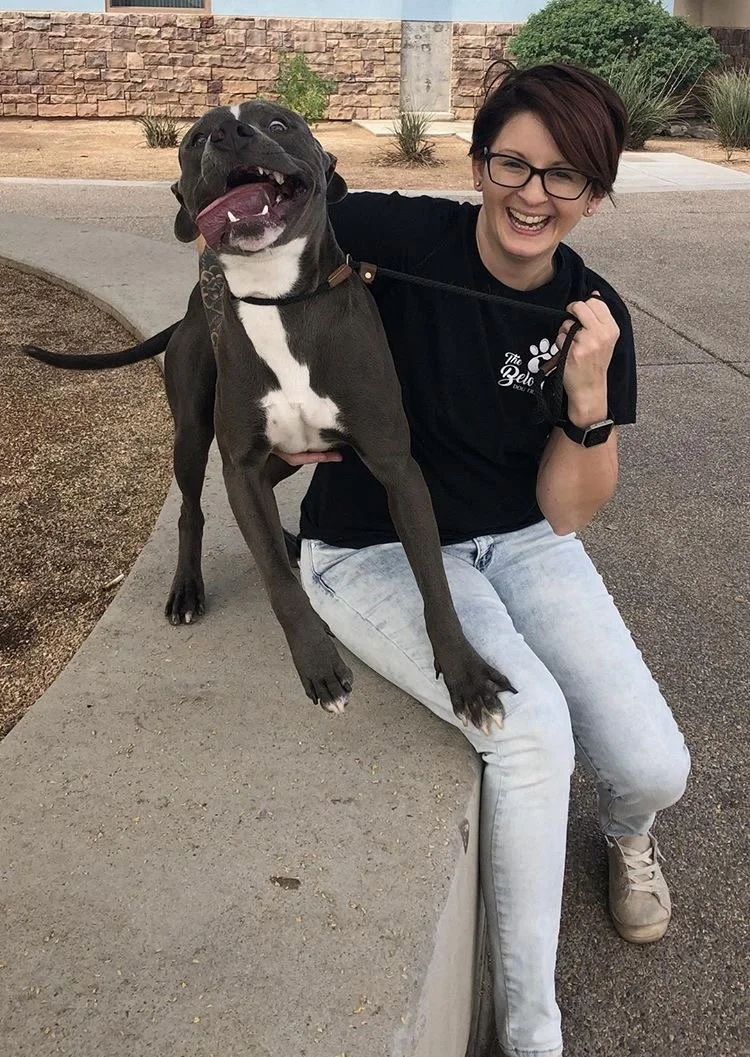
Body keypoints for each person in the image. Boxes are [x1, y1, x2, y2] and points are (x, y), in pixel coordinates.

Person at [274, 62, 691, 1057]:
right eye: (514, 163)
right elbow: (270, 245)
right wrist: (308, 346)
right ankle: (532, 1035)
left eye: (565, 178)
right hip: (371, 543)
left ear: (595, 195)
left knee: (654, 764)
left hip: (518, 536)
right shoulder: (396, 235)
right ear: (479, 160)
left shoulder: (593, 316)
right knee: (532, 726)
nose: (532, 195)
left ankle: (626, 834)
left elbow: (566, 509)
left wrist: (587, 401)